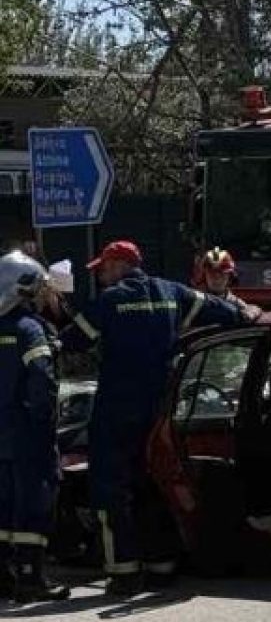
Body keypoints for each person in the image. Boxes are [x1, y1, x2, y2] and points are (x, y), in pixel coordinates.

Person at [49, 240, 256, 597]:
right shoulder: (172, 292)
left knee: (110, 489)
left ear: (118, 266)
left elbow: (70, 343)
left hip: (117, 410)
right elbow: (225, 312)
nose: (99, 274)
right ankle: (162, 564)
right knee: (154, 481)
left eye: (103, 268)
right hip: (162, 408)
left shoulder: (109, 302)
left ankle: (124, 572)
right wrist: (248, 312)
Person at [0, 251, 70, 603]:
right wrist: (44, 419)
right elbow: (41, 378)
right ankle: (31, 578)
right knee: (34, 503)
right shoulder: (30, 329)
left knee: (3, 506)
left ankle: (4, 578)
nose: (48, 293)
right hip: (28, 434)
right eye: (42, 287)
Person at [194, 247, 262, 322]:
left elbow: (252, 310)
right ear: (204, 277)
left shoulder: (235, 303)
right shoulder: (194, 300)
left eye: (222, 274)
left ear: (230, 277)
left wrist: (252, 311)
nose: (217, 279)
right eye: (212, 274)